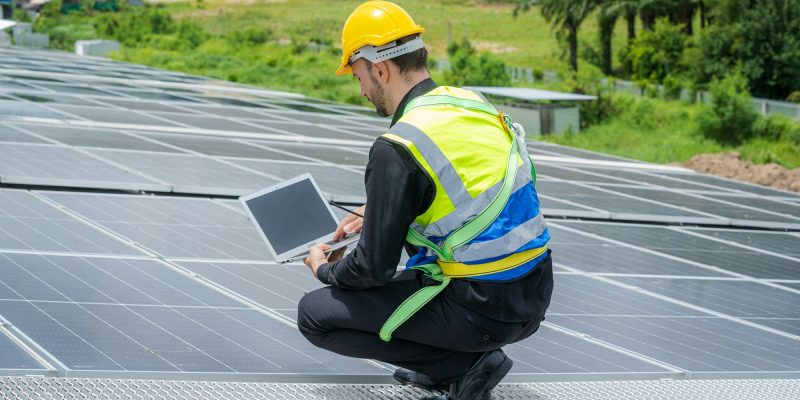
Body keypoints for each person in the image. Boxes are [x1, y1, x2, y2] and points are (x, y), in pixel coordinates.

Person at [298, 2, 553, 399]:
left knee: (315, 315)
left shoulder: (398, 145)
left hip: (481, 309)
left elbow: (372, 270)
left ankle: (464, 365)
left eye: (359, 76)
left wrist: (322, 269)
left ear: (379, 69)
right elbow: (467, 195)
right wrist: (382, 211)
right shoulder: (472, 104)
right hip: (533, 294)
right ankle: (455, 362)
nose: (362, 89)